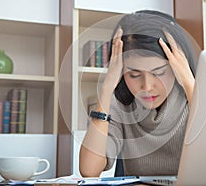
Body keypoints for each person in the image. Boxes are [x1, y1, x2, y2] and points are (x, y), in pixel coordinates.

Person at [79, 10, 197, 177]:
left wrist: (190, 84)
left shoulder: (194, 100)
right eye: (134, 74)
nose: (147, 86)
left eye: (159, 72)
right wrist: (106, 89)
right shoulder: (121, 106)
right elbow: (88, 170)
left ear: (177, 66)